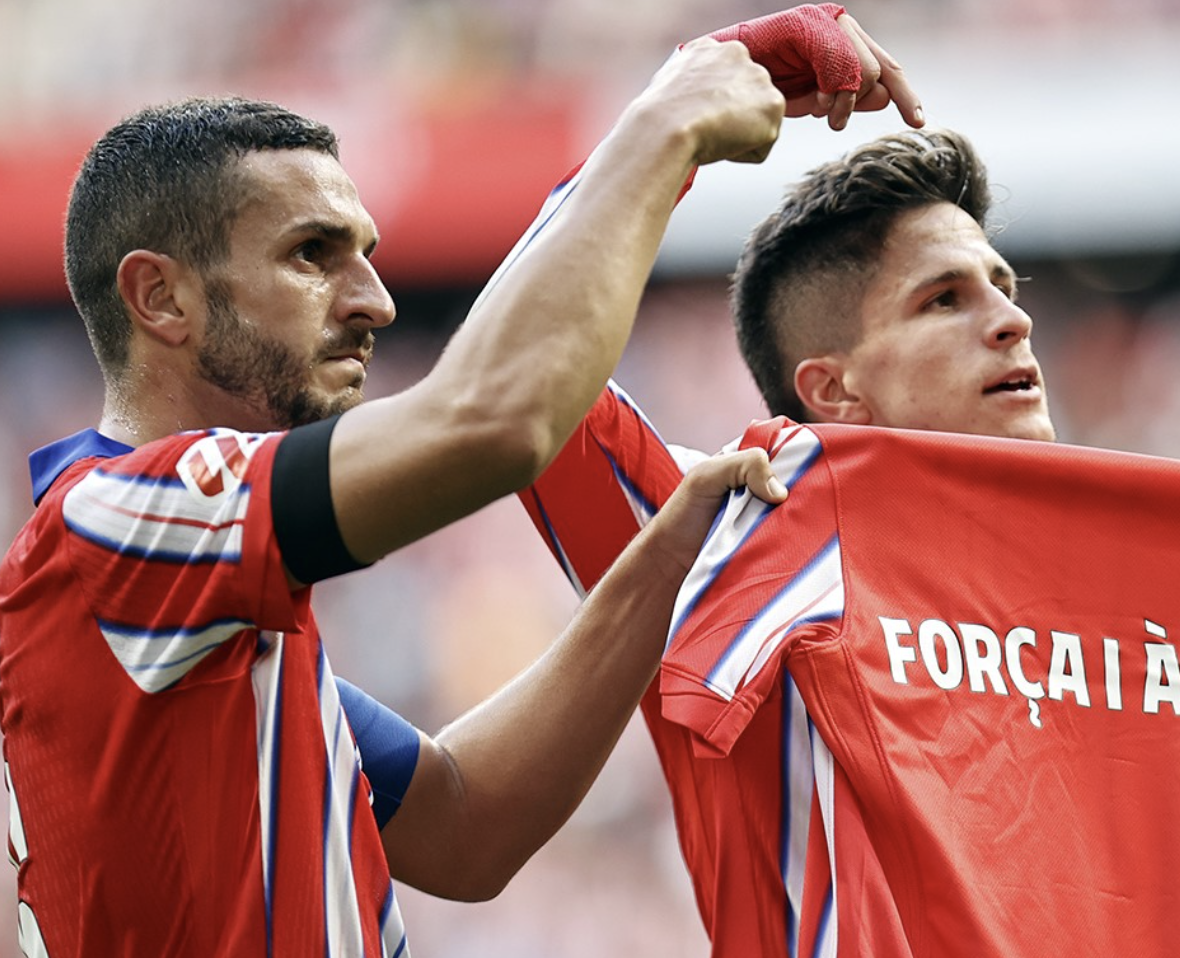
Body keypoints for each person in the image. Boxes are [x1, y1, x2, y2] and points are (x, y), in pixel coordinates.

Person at [0, 7, 924, 955]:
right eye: (312, 255)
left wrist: (665, 559)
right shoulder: (112, 527)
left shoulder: (187, 599)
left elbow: (466, 825)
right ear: (160, 297)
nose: (376, 302)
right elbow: (496, 419)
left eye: (365, 254)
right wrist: (666, 122)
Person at [518, 131, 1180, 954]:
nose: (1011, 320)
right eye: (944, 299)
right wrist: (677, 124)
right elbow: (527, 368)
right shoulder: (746, 531)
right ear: (833, 391)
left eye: (1004, 288)